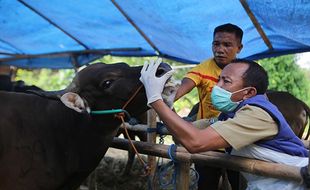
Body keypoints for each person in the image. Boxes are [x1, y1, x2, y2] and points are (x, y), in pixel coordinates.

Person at [140, 58, 309, 190]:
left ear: (248, 92)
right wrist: (168, 105)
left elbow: (196, 142)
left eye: (225, 81)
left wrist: (155, 100)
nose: (216, 86)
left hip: (294, 182)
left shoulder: (258, 114)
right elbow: (187, 132)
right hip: (269, 183)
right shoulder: (231, 114)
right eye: (219, 79)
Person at [174, 23, 244, 189]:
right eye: (216, 44)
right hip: (207, 142)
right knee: (206, 185)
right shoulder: (203, 69)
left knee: (240, 186)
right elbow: (182, 88)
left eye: (227, 45)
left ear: (239, 48)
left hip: (239, 143)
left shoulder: (247, 71)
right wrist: (168, 96)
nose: (220, 49)